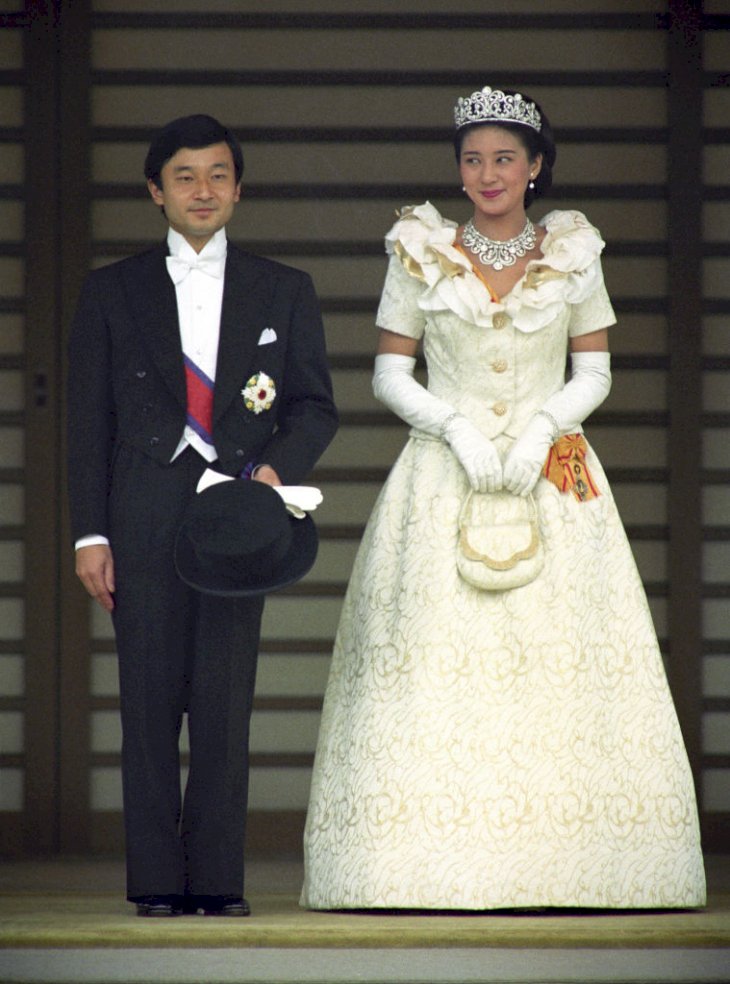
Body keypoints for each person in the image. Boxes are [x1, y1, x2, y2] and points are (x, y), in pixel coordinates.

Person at [301, 86, 705, 910]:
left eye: (505, 159)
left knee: (563, 664)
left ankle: (579, 870)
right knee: (429, 666)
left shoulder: (574, 250)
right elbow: (387, 373)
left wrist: (538, 431)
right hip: (442, 471)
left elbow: (595, 369)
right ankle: (406, 873)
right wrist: (454, 428)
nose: (487, 174)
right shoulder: (419, 249)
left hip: (550, 471)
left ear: (536, 167)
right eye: (473, 159)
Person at [67, 114, 338, 917]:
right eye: (184, 176)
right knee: (148, 701)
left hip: (238, 517)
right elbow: (87, 422)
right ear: (155, 191)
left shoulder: (282, 288)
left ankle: (218, 880)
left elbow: (315, 409)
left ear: (239, 188)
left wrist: (266, 475)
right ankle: (155, 881)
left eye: (218, 174)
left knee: (225, 699)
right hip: (141, 510)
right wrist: (90, 532)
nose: (203, 190)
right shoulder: (111, 289)